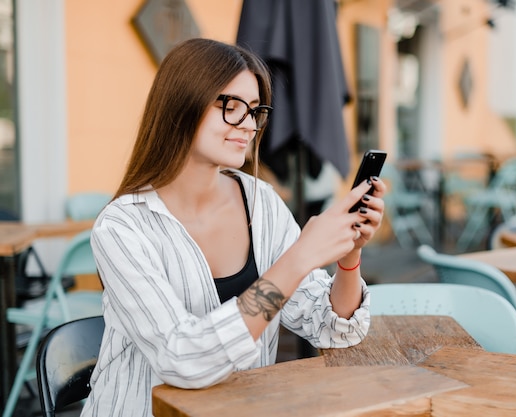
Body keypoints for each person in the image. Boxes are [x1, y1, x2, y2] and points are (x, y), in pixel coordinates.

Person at [80, 38, 386, 417]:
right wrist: (298, 258)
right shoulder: (122, 228)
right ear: (182, 107)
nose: (248, 125)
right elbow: (183, 359)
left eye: (255, 111)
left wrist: (349, 254)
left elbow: (332, 329)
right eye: (231, 107)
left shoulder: (262, 203)